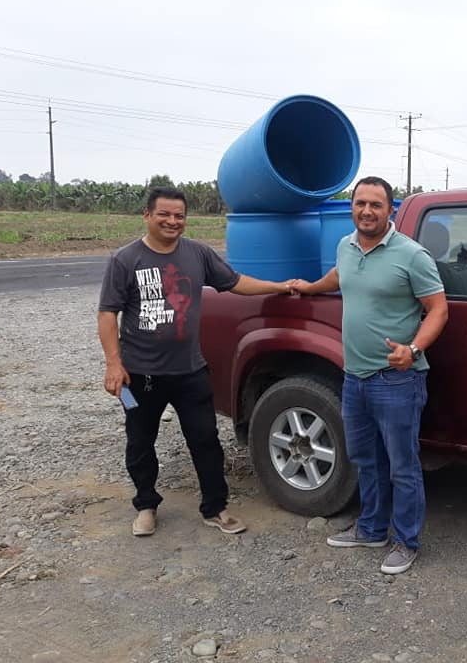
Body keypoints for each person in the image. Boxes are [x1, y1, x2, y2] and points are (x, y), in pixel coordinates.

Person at [97, 186, 292, 537]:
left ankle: (215, 507)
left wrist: (278, 287)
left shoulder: (198, 254)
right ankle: (146, 505)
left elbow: (235, 282)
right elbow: (108, 313)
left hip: (189, 370)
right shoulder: (125, 260)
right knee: (140, 442)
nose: (172, 221)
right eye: (164, 214)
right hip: (140, 374)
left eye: (179, 216)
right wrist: (114, 364)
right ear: (147, 215)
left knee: (205, 440)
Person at [289, 176, 448, 575]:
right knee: (366, 459)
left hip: (396, 380)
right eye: (360, 203)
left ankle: (406, 541)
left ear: (390, 210)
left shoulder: (412, 255)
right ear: (352, 208)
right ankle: (372, 529)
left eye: (375, 204)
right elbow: (339, 277)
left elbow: (439, 309)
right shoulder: (346, 246)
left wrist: (413, 350)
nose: (366, 211)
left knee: (402, 466)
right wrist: (310, 288)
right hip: (354, 377)